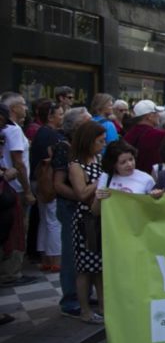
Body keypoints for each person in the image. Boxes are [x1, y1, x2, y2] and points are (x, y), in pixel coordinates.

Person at [50, 107, 90, 315]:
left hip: (86, 208)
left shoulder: (86, 148)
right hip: (70, 207)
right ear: (77, 127)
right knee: (71, 253)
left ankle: (85, 294)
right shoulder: (64, 147)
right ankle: (70, 298)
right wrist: (82, 195)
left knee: (87, 251)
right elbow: (58, 184)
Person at [68, 121, 107, 324]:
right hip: (86, 220)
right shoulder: (76, 165)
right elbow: (81, 193)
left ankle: (103, 305)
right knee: (86, 267)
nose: (103, 145)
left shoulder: (99, 159)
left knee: (100, 266)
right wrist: (99, 180)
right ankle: (84, 310)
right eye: (100, 141)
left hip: (101, 217)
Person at [0, 93, 34, 286]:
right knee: (18, 229)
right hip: (14, 187)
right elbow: (18, 162)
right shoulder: (12, 131)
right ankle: (11, 272)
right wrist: (27, 190)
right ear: (13, 108)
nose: (25, 107)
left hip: (11, 185)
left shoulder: (12, 130)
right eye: (22, 104)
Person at [28, 100, 64, 272]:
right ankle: (55, 259)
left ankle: (45, 257)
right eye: (60, 114)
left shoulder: (42, 132)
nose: (62, 117)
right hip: (47, 181)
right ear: (50, 117)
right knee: (53, 220)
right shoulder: (51, 134)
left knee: (45, 219)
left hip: (38, 180)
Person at [123, 100, 165, 175]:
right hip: (153, 179)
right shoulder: (161, 135)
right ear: (149, 116)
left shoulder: (128, 135)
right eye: (156, 113)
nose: (159, 115)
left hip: (131, 178)